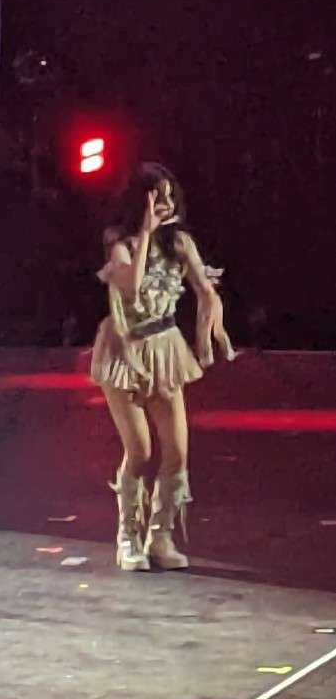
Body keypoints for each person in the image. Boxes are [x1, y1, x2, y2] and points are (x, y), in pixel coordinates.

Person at [90, 162, 235, 572]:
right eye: (157, 197)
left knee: (177, 451)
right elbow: (132, 287)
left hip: (165, 348)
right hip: (125, 349)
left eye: (170, 197)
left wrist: (211, 318)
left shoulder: (180, 243)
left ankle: (161, 536)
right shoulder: (119, 242)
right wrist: (146, 234)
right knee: (140, 451)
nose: (166, 205)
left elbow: (203, 287)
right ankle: (127, 537)